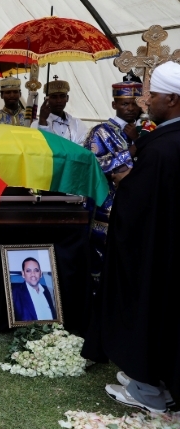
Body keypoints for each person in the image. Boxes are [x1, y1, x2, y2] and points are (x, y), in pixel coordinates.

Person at [97, 61, 180, 413]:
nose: (146, 103)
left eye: (153, 96)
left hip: (155, 250)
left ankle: (149, 388)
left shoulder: (162, 147)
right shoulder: (156, 138)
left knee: (150, 308)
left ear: (173, 99)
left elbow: (138, 200)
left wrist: (124, 182)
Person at [82, 81, 142, 289]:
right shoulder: (100, 132)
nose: (131, 108)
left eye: (135, 103)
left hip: (138, 205)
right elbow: (94, 165)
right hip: (107, 207)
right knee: (103, 257)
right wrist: (131, 150)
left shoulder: (147, 130)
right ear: (114, 104)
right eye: (125, 104)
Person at [33, 79, 87, 143]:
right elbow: (39, 145)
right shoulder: (36, 124)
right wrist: (42, 121)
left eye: (62, 96)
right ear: (46, 99)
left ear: (67, 98)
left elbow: (85, 145)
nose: (59, 101)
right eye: (54, 97)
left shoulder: (77, 123)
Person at [11, 257, 56, 321]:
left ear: (40, 273)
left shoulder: (47, 290)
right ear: (23, 274)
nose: (33, 274)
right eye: (28, 271)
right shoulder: (14, 293)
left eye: (36, 270)